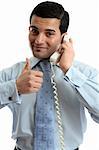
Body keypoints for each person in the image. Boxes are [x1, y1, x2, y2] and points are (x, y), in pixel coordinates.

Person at [0, 1, 99, 150]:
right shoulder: (14, 73)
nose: (39, 40)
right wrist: (14, 88)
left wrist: (69, 71)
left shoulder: (83, 74)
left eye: (49, 33)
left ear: (63, 37)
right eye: (34, 31)